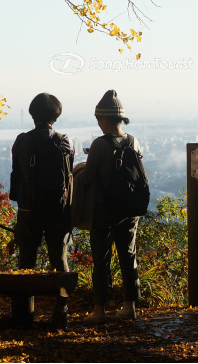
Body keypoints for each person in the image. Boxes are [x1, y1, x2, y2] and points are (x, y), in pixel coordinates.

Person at [9, 93, 75, 328]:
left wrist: (20, 201)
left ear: (32, 114)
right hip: (57, 212)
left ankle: (23, 314)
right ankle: (61, 312)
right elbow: (69, 176)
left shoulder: (22, 141)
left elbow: (16, 173)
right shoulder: (65, 141)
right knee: (60, 260)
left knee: (26, 261)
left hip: (28, 211)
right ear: (56, 115)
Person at [82, 90, 146, 322]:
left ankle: (100, 310)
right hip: (130, 210)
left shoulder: (99, 145)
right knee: (129, 255)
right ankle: (130, 306)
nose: (98, 124)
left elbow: (88, 179)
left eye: (99, 119)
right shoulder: (134, 141)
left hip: (105, 210)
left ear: (106, 119)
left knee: (101, 258)